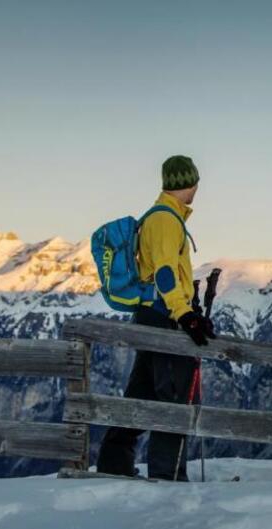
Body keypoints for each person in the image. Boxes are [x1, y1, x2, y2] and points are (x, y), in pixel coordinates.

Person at [96, 154, 216, 481]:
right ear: (188, 183)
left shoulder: (160, 215)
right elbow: (165, 274)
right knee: (173, 400)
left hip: (151, 315)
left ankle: (114, 465)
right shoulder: (165, 220)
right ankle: (168, 478)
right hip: (165, 317)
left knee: (142, 393)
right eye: (195, 182)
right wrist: (186, 314)